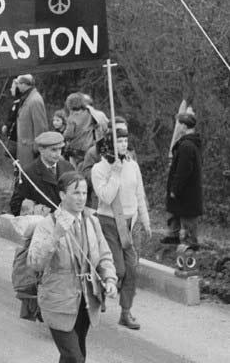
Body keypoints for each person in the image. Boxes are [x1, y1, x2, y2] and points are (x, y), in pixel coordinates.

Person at [28, 171, 118, 363]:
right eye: (76, 193)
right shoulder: (47, 224)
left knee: (76, 356)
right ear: (62, 195)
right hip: (58, 302)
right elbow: (35, 262)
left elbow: (104, 256)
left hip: (86, 301)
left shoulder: (92, 221)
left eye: (85, 193)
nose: (81, 198)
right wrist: (56, 236)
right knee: (74, 357)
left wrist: (110, 279)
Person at [91, 130, 150, 330]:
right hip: (109, 222)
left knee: (131, 270)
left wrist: (145, 219)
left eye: (125, 140)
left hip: (131, 223)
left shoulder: (133, 165)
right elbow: (105, 197)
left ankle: (126, 312)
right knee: (118, 269)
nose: (123, 145)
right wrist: (115, 173)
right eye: (119, 141)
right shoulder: (99, 169)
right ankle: (101, 290)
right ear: (109, 145)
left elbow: (139, 193)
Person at [10, 131, 74, 216]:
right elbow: (15, 206)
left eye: (60, 149)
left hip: (67, 221)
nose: (58, 153)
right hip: (41, 224)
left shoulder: (68, 167)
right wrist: (34, 210)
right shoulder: (28, 173)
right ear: (41, 150)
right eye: (54, 150)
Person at [163, 113, 202, 246]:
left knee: (188, 218)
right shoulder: (188, 143)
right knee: (175, 212)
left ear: (184, 126)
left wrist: (175, 189)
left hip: (187, 191)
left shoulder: (187, 146)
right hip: (185, 191)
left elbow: (183, 171)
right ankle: (173, 237)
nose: (177, 127)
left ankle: (190, 245)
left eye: (178, 124)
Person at [14, 74, 48, 168]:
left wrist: (38, 148)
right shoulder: (27, 97)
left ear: (24, 84)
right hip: (25, 149)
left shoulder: (35, 100)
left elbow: (41, 126)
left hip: (31, 151)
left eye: (18, 84)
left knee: (32, 176)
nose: (17, 86)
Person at [63, 93, 94, 167]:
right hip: (88, 145)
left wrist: (63, 135)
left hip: (75, 148)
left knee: (74, 168)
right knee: (86, 166)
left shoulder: (71, 118)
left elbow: (69, 134)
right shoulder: (88, 113)